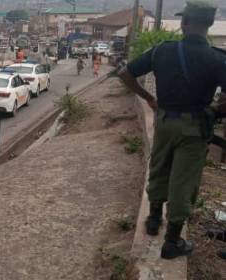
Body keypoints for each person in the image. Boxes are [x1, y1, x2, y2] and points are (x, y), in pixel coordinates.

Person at [118, 0, 226, 259]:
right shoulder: (217, 59)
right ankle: (173, 241)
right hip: (195, 127)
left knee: (159, 167)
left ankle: (154, 219)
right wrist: (213, 110)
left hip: (165, 121)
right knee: (184, 181)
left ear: (184, 23)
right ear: (209, 25)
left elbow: (124, 73)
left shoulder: (163, 51)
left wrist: (148, 98)